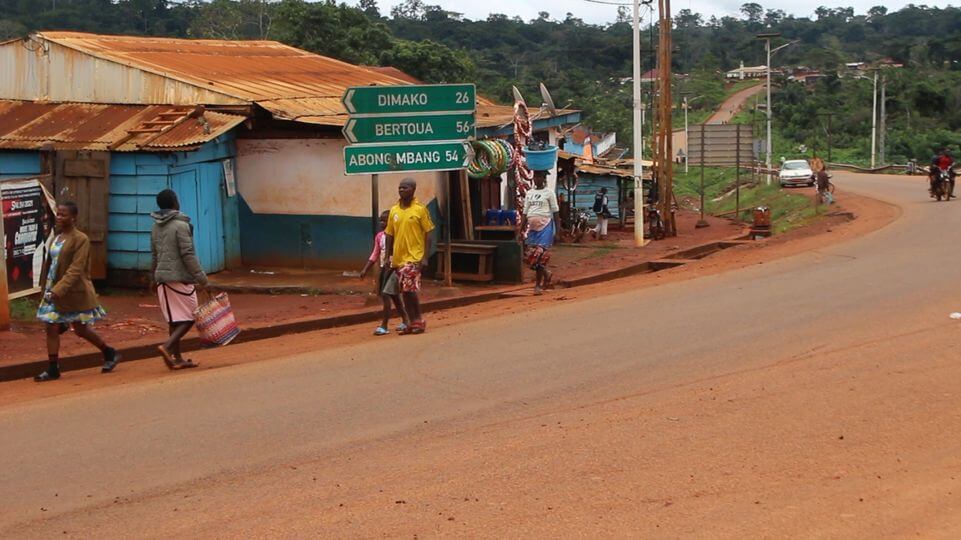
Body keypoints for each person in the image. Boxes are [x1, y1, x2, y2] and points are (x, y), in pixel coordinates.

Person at [33, 201, 120, 381]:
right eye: (57, 214)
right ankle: (53, 368)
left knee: (80, 329)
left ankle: (108, 351)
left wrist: (59, 290)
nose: (59, 217)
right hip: (54, 289)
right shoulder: (56, 238)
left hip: (73, 291)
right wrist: (47, 288)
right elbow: (51, 265)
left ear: (73, 218)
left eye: (63, 214)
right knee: (51, 326)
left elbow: (76, 269)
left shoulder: (81, 239)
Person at [151, 189, 207, 370]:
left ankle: (177, 357)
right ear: (175, 203)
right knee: (191, 317)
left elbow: (154, 254)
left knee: (174, 320)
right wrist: (201, 277)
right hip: (180, 278)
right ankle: (167, 347)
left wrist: (153, 277)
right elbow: (188, 254)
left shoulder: (155, 226)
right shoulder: (181, 226)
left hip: (162, 278)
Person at [384, 178, 435, 335]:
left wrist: (425, 257)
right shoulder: (394, 211)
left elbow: (429, 233)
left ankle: (418, 319)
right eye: (399, 188)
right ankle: (412, 321)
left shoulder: (420, 210)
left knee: (410, 289)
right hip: (399, 258)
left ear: (413, 189)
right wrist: (387, 256)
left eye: (404, 188)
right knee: (405, 291)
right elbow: (389, 234)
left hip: (414, 257)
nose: (401, 190)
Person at [360, 210, 409, 335]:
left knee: (386, 294)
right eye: (381, 220)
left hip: (395, 268)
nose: (382, 223)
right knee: (394, 296)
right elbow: (375, 253)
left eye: (385, 220)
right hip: (384, 269)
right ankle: (406, 320)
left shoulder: (398, 235)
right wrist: (365, 269)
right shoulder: (379, 236)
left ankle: (384, 325)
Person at [519, 170, 559, 295]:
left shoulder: (549, 193)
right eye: (535, 177)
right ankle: (547, 273)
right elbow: (525, 212)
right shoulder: (530, 193)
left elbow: (556, 212)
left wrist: (557, 230)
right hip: (532, 229)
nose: (536, 179)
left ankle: (538, 286)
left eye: (539, 177)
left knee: (540, 257)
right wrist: (520, 229)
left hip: (545, 227)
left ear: (544, 178)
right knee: (529, 256)